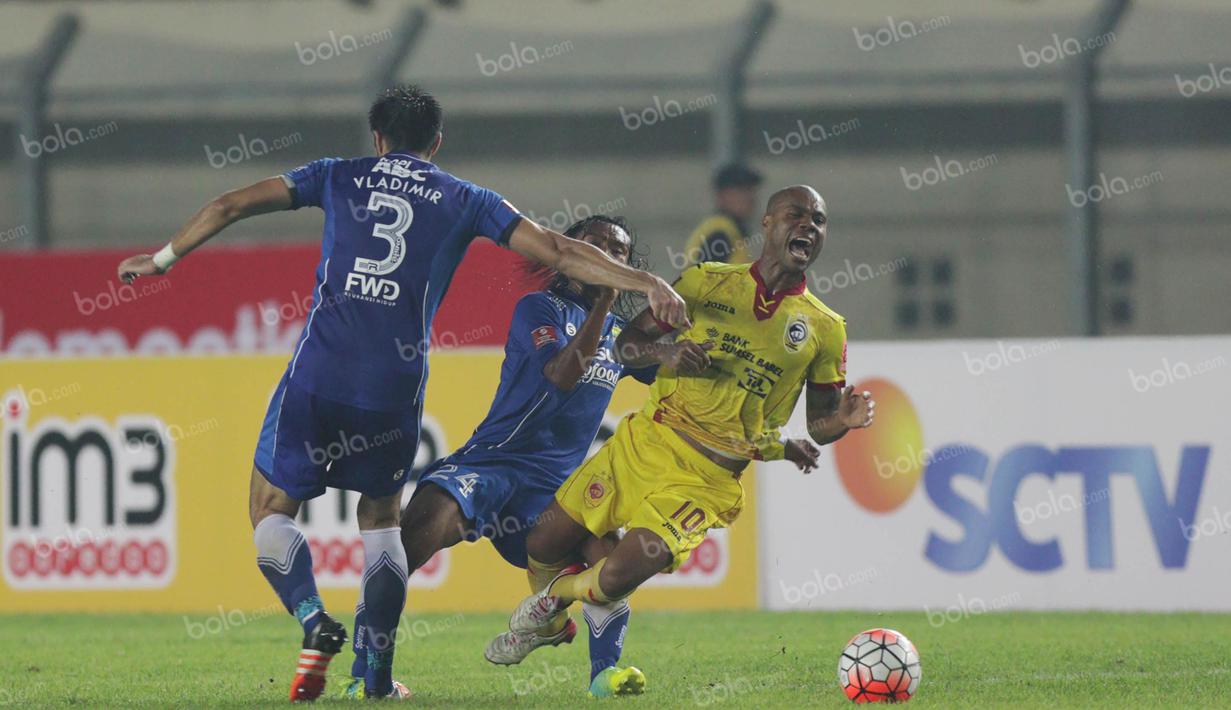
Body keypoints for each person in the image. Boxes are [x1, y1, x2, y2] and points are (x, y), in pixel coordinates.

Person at [115, 85, 686, 702]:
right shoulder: (469, 201)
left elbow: (230, 204)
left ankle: (314, 619)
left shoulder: (336, 175)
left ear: (378, 139)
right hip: (398, 387)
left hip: (321, 371)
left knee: (270, 509)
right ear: (436, 145)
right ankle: (377, 679)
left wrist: (163, 258)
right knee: (384, 526)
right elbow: (555, 250)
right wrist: (645, 280)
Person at [491, 186, 876, 697]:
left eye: (819, 221)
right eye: (796, 214)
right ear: (767, 223)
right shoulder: (703, 282)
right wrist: (667, 354)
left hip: (707, 480)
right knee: (541, 542)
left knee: (618, 574)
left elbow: (820, 425)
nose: (809, 225)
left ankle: (555, 601)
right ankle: (554, 625)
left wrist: (843, 421)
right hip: (646, 442)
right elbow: (627, 348)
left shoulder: (826, 330)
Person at [391, 215, 673, 698]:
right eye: (594, 245)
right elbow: (563, 374)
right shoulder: (537, 307)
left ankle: (603, 676)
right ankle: (367, 673)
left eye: (618, 252)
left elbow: (673, 376)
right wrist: (605, 300)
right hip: (490, 464)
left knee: (608, 556)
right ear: (567, 257)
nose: (606, 255)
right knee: (407, 542)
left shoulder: (624, 338)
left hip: (552, 495)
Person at [679, 163, 763, 266]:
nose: (750, 198)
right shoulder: (719, 234)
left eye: (751, 190)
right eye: (741, 191)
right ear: (721, 196)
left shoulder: (730, 230)